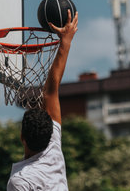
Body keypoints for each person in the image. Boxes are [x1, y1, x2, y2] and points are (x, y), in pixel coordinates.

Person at [7, 10, 78, 191]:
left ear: (22, 137)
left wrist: (66, 42)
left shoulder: (21, 181)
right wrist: (66, 41)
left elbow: (50, 92)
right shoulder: (52, 145)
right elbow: (51, 92)